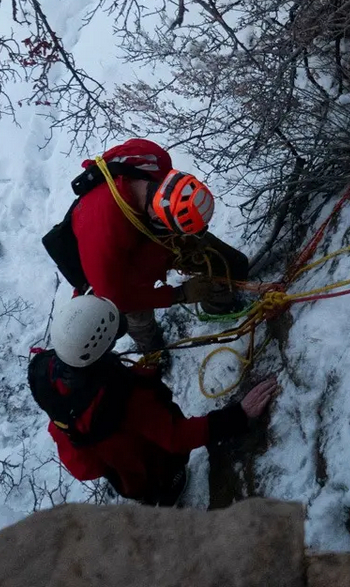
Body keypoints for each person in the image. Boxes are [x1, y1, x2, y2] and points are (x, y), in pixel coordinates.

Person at [28, 293, 279, 506]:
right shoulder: (126, 398)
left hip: (126, 477)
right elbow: (176, 437)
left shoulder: (50, 378)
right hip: (154, 471)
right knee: (166, 485)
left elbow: (85, 468)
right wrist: (238, 416)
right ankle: (170, 495)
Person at [69, 138, 251, 355]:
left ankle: (219, 305)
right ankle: (153, 351)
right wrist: (179, 295)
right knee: (138, 318)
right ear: (157, 215)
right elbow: (115, 295)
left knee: (229, 263)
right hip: (118, 271)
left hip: (151, 237)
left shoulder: (153, 159)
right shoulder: (102, 230)